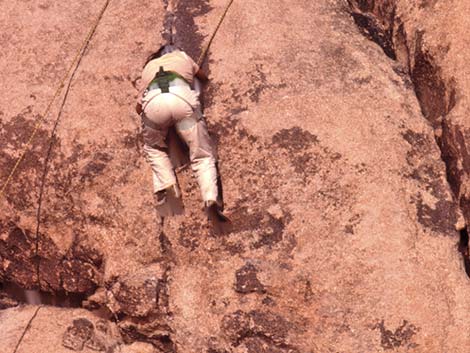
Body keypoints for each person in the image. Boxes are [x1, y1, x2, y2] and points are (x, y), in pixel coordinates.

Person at [136, 44, 231, 233]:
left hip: (154, 103)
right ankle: (210, 198)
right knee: (202, 155)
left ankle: (168, 186)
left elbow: (138, 108)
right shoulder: (182, 56)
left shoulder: (147, 69)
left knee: (155, 150)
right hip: (182, 102)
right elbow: (203, 77)